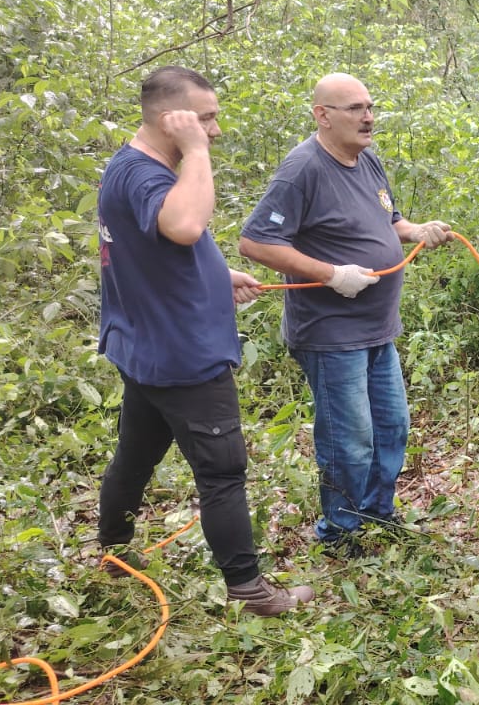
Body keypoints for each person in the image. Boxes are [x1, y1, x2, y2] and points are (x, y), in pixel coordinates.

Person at [96, 65, 314, 615]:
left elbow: (166, 248)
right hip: (183, 357)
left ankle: (112, 551)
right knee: (222, 472)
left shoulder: (130, 168)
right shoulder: (144, 174)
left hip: (147, 349)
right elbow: (186, 226)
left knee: (136, 454)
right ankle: (248, 589)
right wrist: (195, 151)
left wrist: (220, 277)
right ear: (172, 119)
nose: (213, 130)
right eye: (205, 119)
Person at [238, 73, 456, 549]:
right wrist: (330, 273)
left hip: (379, 329)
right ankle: (339, 531)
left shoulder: (368, 160)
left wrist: (416, 229)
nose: (368, 117)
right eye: (355, 108)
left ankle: (377, 511)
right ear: (322, 115)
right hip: (331, 333)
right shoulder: (302, 170)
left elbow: (387, 219)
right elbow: (254, 241)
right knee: (350, 440)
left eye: (370, 107)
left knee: (393, 426)